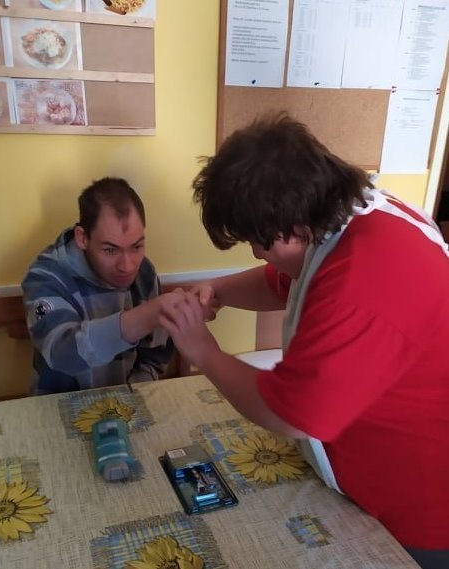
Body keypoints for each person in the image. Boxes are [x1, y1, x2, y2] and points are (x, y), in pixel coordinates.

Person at [160, 114, 449, 569]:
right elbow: (288, 279)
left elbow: (291, 413)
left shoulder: (365, 280)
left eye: (259, 242)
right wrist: (218, 291)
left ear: (296, 225)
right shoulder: (346, 214)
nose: (257, 252)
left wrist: (204, 352)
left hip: (420, 510)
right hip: (368, 474)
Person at [22, 176, 181, 394]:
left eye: (137, 247)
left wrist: (134, 393)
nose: (128, 266)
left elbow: (155, 354)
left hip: (127, 400)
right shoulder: (45, 276)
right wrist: (145, 316)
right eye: (110, 250)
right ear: (82, 238)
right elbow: (62, 353)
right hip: (57, 404)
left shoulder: (144, 273)